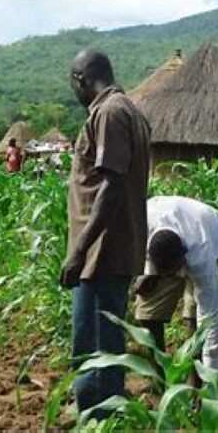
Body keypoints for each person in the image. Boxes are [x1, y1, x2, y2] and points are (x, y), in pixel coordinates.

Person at [59, 49, 151, 415]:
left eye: (73, 84)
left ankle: (96, 419)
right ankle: (105, 415)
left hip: (101, 254)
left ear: (80, 79)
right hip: (110, 251)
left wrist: (79, 250)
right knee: (106, 342)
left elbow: (111, 185)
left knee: (94, 347)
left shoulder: (111, 113)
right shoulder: (127, 109)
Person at [134, 196, 218, 372]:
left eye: (177, 270)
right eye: (168, 273)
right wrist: (148, 274)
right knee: (147, 313)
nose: (176, 276)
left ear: (184, 257)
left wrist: (212, 378)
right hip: (162, 233)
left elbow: (210, 318)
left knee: (195, 314)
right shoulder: (139, 224)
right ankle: (160, 382)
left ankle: (197, 383)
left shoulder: (201, 255)